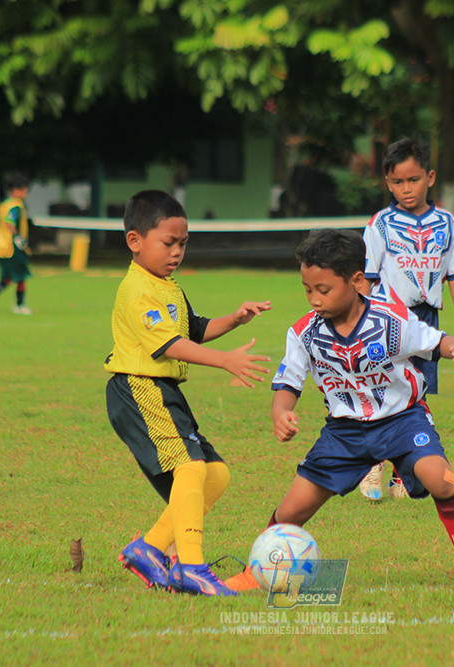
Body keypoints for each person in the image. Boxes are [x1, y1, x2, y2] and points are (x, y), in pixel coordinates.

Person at [224, 229, 454, 596]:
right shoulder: (305, 332)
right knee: (290, 511)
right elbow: (289, 381)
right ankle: (259, 571)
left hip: (402, 419)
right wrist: (280, 412)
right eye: (308, 290)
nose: (314, 299)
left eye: (323, 290)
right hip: (344, 433)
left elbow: (432, 340)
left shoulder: (390, 320)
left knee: (439, 477)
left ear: (357, 281)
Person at [105, 189, 271, 596]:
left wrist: (234, 319)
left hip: (161, 390)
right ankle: (191, 566)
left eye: (183, 244)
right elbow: (170, 346)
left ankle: (149, 548)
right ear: (135, 241)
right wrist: (225, 360)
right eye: (168, 243)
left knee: (215, 475)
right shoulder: (139, 291)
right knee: (192, 469)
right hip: (140, 388)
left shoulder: (167, 286)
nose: (177, 252)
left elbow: (192, 330)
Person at [358, 137, 454, 501]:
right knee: (383, 389)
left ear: (430, 177)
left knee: (416, 393)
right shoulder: (381, 224)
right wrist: (361, 323)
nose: (406, 189)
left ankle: (402, 475)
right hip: (387, 318)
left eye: (414, 179)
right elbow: (366, 277)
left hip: (426, 319)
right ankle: (372, 465)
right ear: (387, 184)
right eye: (397, 182)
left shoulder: (446, 224)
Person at [0, 172, 32, 315]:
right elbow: (10, 222)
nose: (26, 193)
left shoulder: (4, 204)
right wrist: (18, 238)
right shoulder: (16, 205)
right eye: (25, 190)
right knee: (21, 276)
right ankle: (19, 305)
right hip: (12, 246)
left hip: (1, 245)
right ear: (17, 191)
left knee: (9, 277)